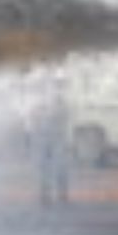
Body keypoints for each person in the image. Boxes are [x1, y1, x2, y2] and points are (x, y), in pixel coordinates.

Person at [30, 75, 71, 208]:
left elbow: (64, 116)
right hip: (45, 137)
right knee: (45, 167)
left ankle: (60, 194)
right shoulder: (40, 101)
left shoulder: (59, 100)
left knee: (59, 165)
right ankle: (46, 194)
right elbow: (33, 117)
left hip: (55, 136)